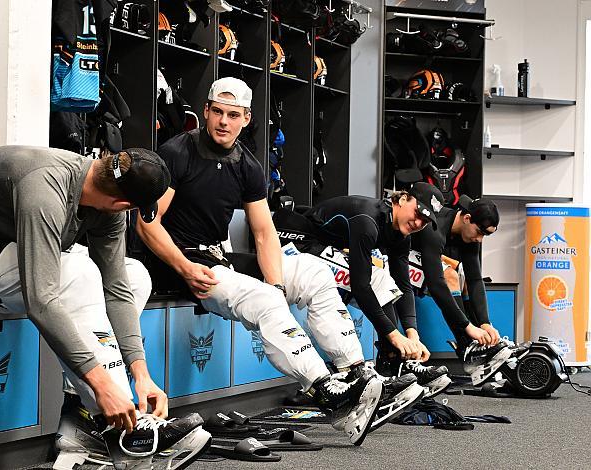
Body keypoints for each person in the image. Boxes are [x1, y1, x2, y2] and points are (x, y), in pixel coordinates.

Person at [135, 76, 424, 446]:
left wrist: (276, 284)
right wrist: (183, 267)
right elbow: (147, 226)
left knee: (313, 272)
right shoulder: (177, 153)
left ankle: (354, 374)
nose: (224, 122)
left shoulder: (248, 165)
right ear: (206, 112)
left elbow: (264, 233)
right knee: (268, 299)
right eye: (218, 112)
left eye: (233, 115)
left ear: (246, 119)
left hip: (214, 258)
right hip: (175, 263)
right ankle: (325, 393)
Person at [0, 145, 210, 470]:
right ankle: (121, 432)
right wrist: (102, 384)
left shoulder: (104, 202)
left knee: (135, 277)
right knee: (78, 274)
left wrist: (140, 373)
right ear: (122, 204)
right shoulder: (45, 188)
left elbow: (116, 290)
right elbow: (41, 300)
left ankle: (82, 419)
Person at [272, 184, 452, 398]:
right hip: (296, 242)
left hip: (322, 246)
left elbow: (403, 285)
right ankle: (394, 363)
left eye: (426, 221)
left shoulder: (400, 233)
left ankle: (396, 363)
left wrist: (412, 334)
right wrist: (395, 336)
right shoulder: (368, 221)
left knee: (383, 279)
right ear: (403, 199)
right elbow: (361, 286)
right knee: (376, 280)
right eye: (418, 213)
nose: (418, 222)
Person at [410, 196, 512, 386]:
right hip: (394, 257)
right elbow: (437, 284)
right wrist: (467, 326)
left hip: (425, 257)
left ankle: (475, 348)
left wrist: (484, 323)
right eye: (479, 232)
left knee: (463, 277)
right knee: (450, 276)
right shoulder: (437, 228)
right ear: (466, 218)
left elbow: (475, 279)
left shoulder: (470, 236)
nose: (479, 239)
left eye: (485, 235)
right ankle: (466, 345)